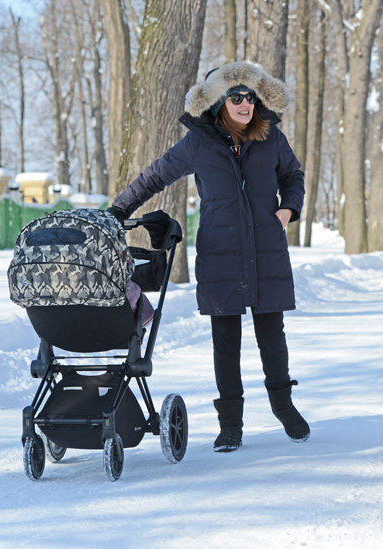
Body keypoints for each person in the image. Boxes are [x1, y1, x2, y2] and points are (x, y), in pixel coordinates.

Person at [107, 61, 309, 452]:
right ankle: (230, 424)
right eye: (236, 97)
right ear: (219, 102)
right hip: (221, 252)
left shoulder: (271, 137)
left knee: (272, 335)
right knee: (225, 340)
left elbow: (293, 176)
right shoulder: (199, 143)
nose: (245, 103)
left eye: (250, 96)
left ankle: (283, 407)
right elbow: (155, 175)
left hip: (266, 250)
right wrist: (118, 210)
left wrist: (289, 209)